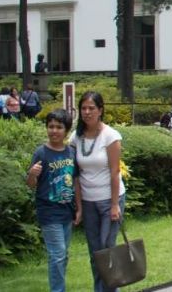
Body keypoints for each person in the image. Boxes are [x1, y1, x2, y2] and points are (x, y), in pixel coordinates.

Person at [70, 91, 126, 292]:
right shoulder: (75, 138)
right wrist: (79, 206)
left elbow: (114, 172)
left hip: (110, 200)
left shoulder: (111, 136)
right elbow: (75, 175)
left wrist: (113, 205)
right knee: (95, 253)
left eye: (91, 108)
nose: (87, 112)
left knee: (106, 249)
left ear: (100, 110)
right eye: (83, 108)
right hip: (88, 201)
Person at [27, 110, 80, 292]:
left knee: (63, 255)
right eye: (51, 126)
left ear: (66, 130)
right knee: (57, 254)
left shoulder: (71, 153)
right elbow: (31, 185)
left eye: (59, 127)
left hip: (67, 211)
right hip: (48, 212)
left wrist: (79, 208)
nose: (54, 131)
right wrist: (32, 175)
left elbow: (75, 181)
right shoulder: (41, 153)